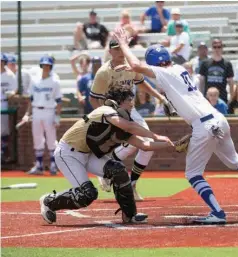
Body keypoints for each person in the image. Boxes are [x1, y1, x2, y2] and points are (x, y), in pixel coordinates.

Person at [113, 28, 238, 225]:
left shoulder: (165, 72)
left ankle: (217, 212)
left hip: (204, 125)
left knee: (192, 174)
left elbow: (138, 65)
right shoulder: (179, 70)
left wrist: (123, 44)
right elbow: (144, 70)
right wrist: (133, 69)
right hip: (218, 119)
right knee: (235, 161)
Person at [38, 87, 176, 225]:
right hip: (68, 153)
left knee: (118, 170)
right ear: (119, 101)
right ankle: (49, 201)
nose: (132, 104)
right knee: (88, 194)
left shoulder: (121, 122)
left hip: (87, 154)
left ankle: (130, 215)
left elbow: (144, 146)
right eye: (129, 100)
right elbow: (128, 126)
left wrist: (172, 144)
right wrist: (156, 135)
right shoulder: (106, 110)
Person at [89, 39, 175, 201]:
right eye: (116, 49)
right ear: (110, 51)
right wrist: (105, 117)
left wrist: (161, 99)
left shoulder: (130, 66)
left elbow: (142, 83)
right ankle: (106, 170)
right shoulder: (104, 72)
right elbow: (94, 99)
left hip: (130, 109)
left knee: (147, 146)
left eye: (121, 48)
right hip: (112, 112)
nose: (120, 52)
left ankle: (131, 183)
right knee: (133, 144)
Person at [23, 55, 62, 175]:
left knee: (51, 138)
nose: (46, 67)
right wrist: (26, 114)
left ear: (51, 66)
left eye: (48, 65)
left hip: (49, 111)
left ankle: (53, 165)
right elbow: (31, 98)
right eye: (44, 65)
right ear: (41, 66)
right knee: (37, 138)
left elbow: (59, 100)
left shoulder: (55, 81)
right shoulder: (35, 80)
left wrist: (57, 116)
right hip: (36, 111)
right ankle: (39, 166)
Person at [199, 39, 234, 103]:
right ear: (212, 48)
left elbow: (231, 83)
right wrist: (201, 96)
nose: (217, 49)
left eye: (219, 47)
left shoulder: (227, 64)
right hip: (208, 99)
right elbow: (201, 82)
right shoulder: (205, 63)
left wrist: (232, 97)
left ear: (222, 48)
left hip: (222, 98)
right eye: (214, 47)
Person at [1, 53, 17, 162]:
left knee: (4, 129)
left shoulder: (10, 75)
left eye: (2, 61)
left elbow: (15, 89)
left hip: (4, 102)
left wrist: (11, 93)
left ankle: (3, 151)